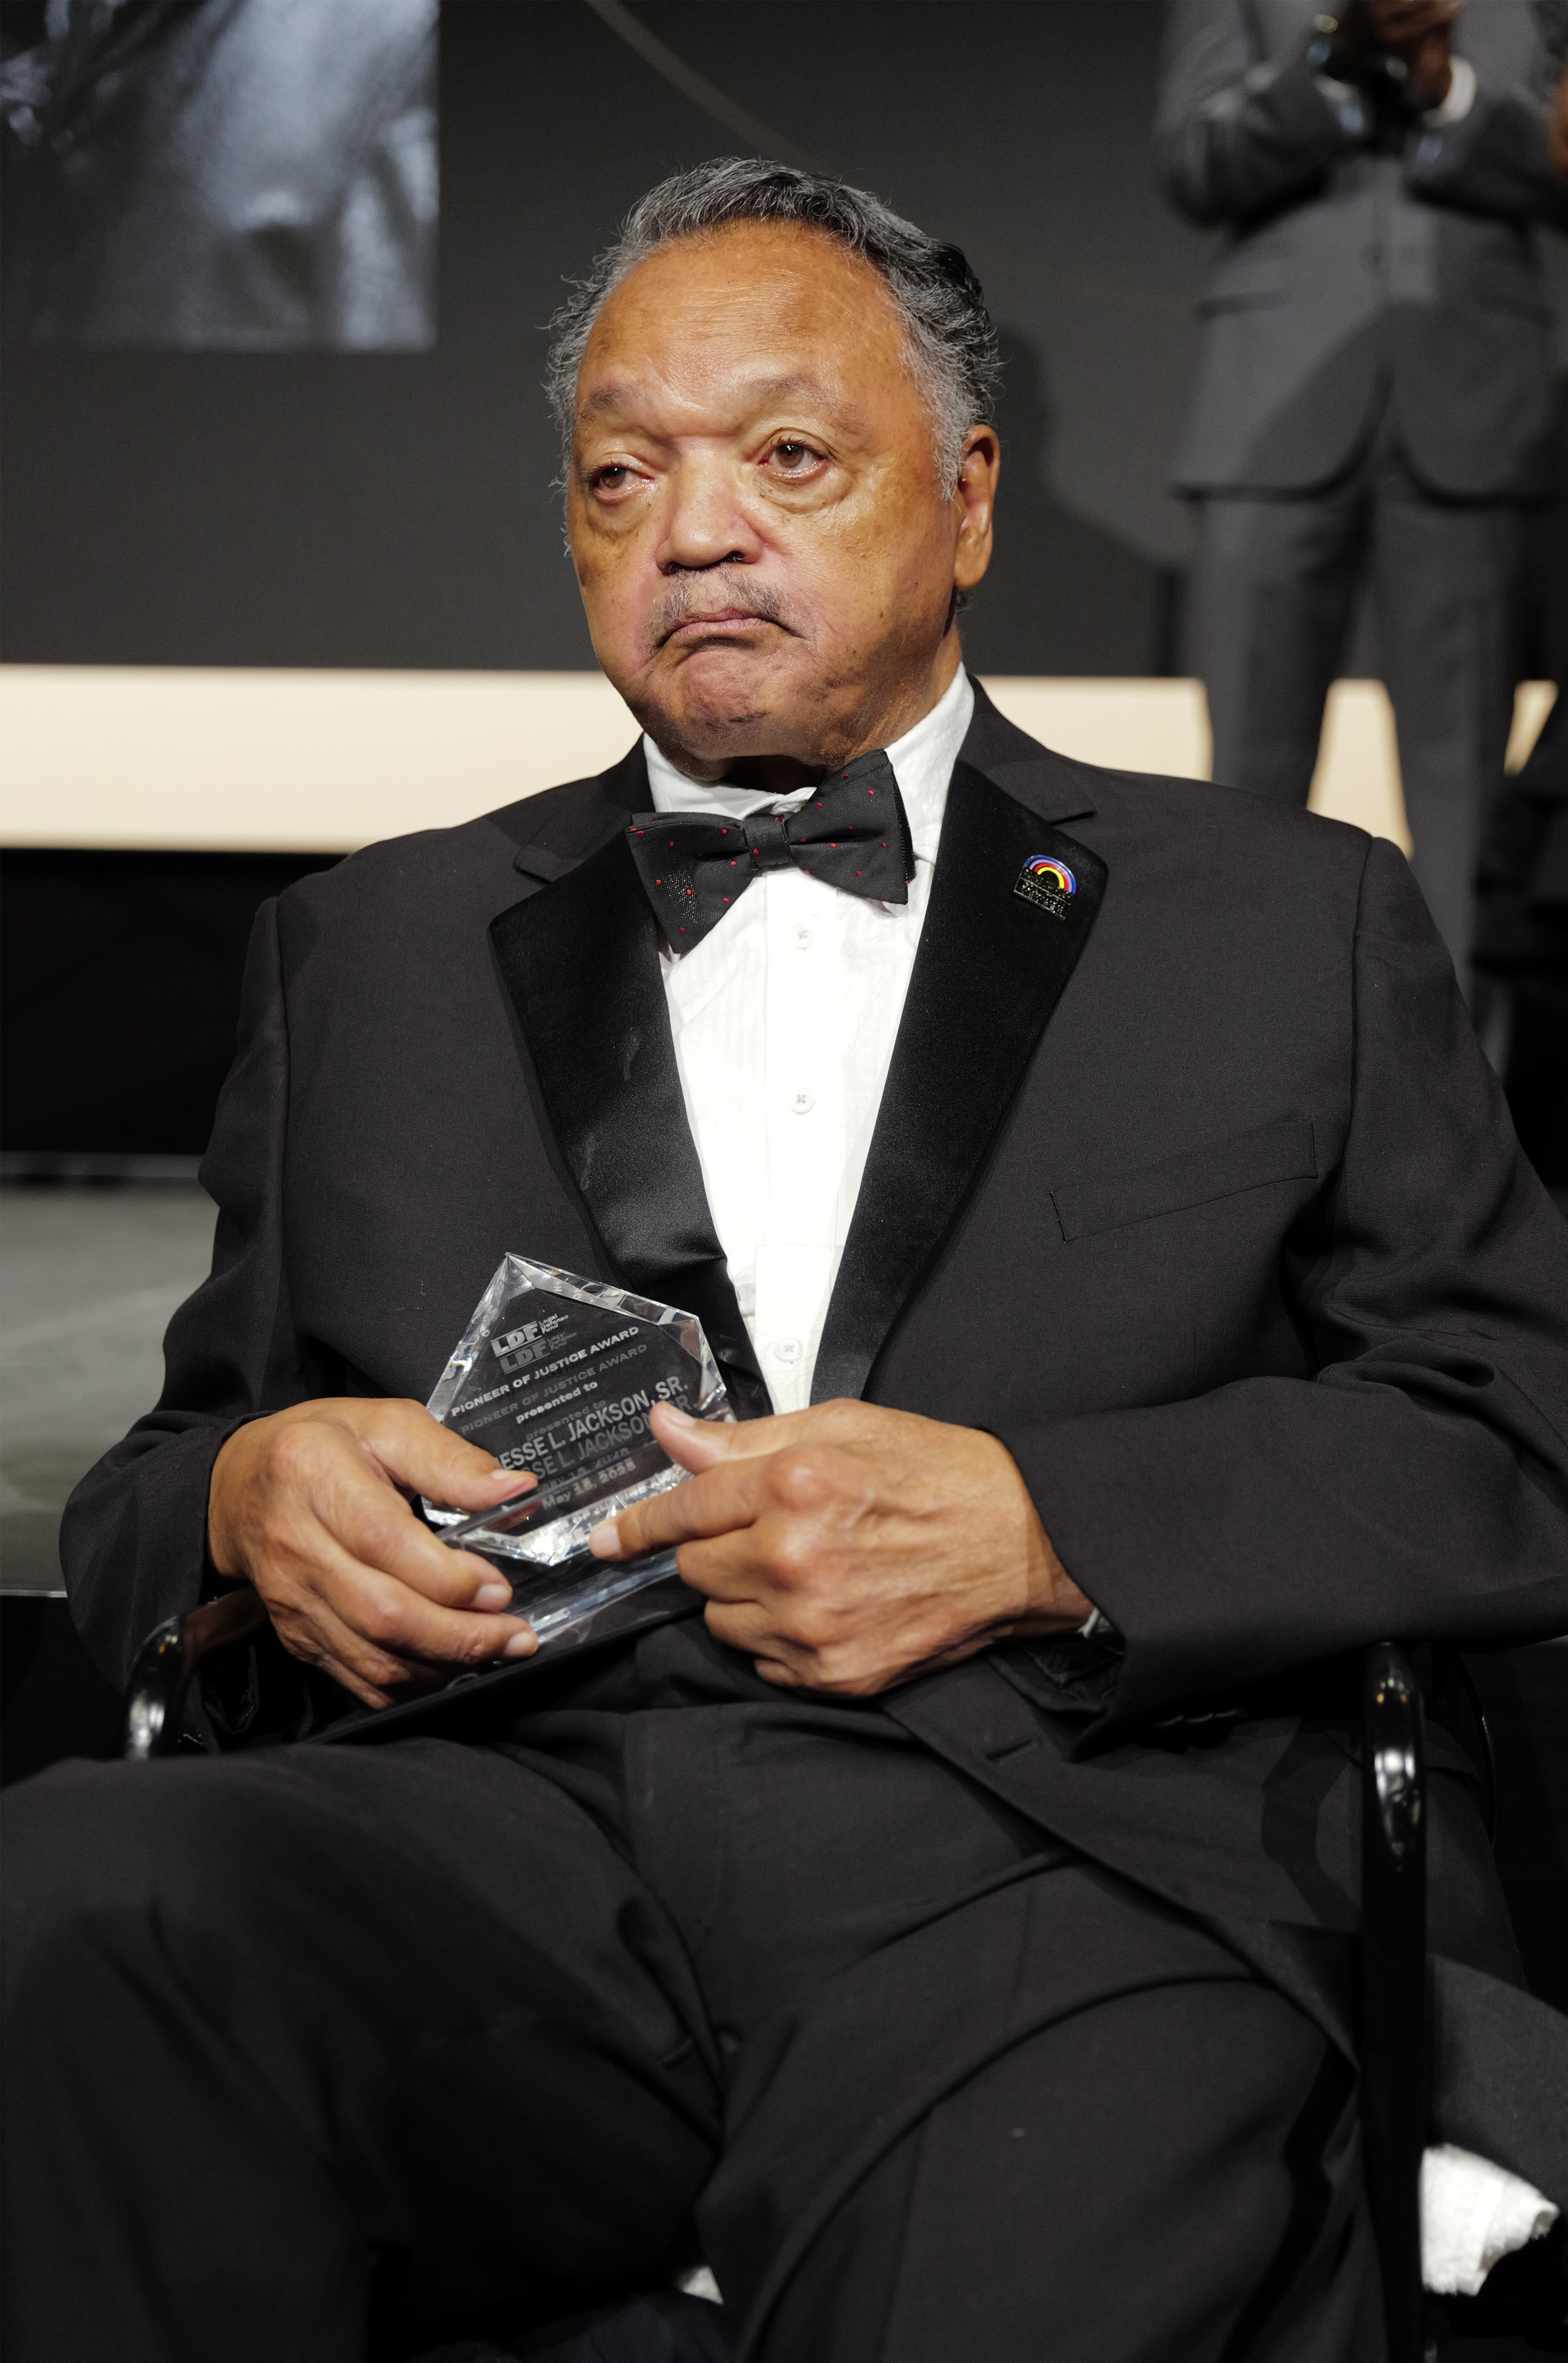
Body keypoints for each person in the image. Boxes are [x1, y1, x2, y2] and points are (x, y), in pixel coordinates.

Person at [6, 160, 1568, 2363]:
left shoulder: (1286, 920)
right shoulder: (371, 946)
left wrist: (1048, 1530)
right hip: (504, 1834)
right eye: (620, 471)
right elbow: (162, 1476)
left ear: (971, 499)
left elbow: (1513, 1440)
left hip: (1065, 1851)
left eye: (791, 458)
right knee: (76, 1900)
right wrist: (250, 1503)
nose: (694, 529)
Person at [1157, 0, 1568, 985]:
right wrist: (1333, 62)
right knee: (1246, 805)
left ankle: (1461, 1121)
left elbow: (1560, 167)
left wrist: (1443, 87)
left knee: (1463, 818)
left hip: (1469, 407)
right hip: (1271, 414)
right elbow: (1194, 162)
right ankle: (1245, 1093)